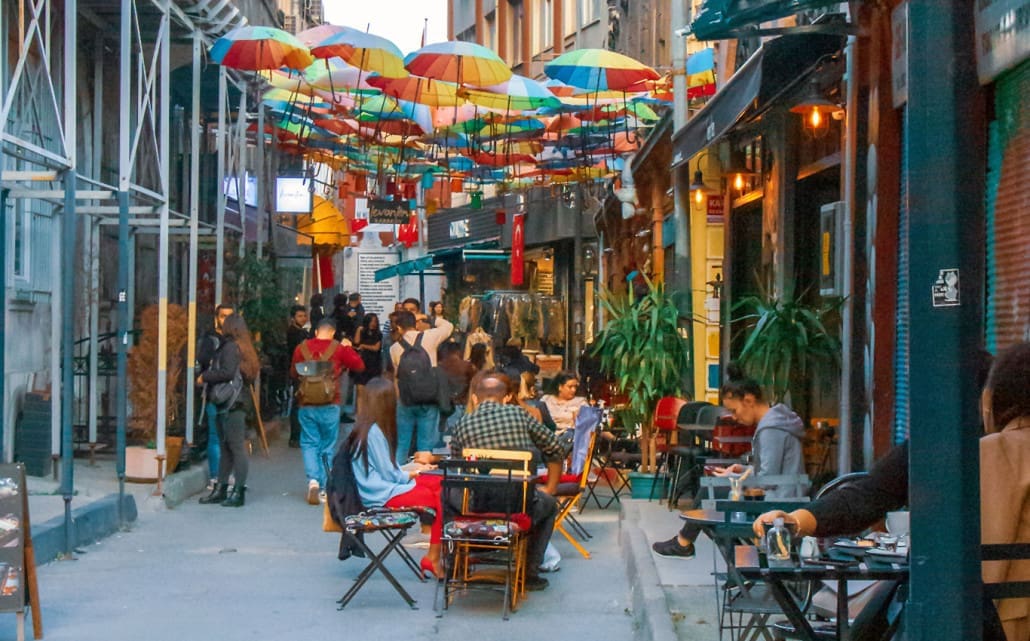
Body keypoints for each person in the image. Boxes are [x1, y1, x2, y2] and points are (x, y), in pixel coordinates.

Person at [652, 365, 806, 559]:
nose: (734, 417)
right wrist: (740, 469)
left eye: (734, 410)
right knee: (710, 499)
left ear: (748, 400)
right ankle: (690, 544)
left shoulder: (770, 430)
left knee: (709, 497)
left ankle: (689, 543)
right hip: (782, 495)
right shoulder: (774, 422)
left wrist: (733, 476)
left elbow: (767, 480)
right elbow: (770, 470)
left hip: (779, 503)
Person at [450, 372, 565, 591]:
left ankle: (454, 565)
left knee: (447, 495)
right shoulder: (520, 415)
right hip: (519, 503)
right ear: (507, 398)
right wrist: (550, 487)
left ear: (474, 398)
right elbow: (555, 447)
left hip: (477, 504)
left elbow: (458, 466)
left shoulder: (462, 423)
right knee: (549, 505)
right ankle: (529, 573)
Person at [346, 377, 444, 579]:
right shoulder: (374, 432)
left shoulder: (368, 428)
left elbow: (388, 470)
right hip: (381, 493)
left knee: (439, 483)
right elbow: (390, 474)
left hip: (380, 488)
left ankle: (434, 553)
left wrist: (415, 472)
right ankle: (433, 556)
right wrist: (414, 473)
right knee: (443, 493)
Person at [291, 318, 365, 505]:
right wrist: (348, 347)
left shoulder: (301, 348)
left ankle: (313, 481)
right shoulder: (338, 348)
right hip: (331, 403)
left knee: (309, 442)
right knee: (328, 445)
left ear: (316, 331)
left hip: (306, 403)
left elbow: (294, 372)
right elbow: (359, 365)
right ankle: (325, 488)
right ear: (333, 332)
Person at [196, 313, 260, 507]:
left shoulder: (231, 347)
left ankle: (235, 491)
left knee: (235, 448)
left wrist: (205, 376)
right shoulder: (244, 347)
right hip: (237, 402)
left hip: (230, 402)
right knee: (228, 447)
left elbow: (227, 372)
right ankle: (223, 488)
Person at [389, 310, 454, 465]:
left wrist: (399, 400)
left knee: (402, 443)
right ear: (416, 324)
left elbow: (396, 377)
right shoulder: (429, 337)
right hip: (428, 398)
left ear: (399, 328)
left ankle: (399, 473)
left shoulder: (394, 348)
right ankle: (421, 474)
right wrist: (427, 317)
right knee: (425, 444)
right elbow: (448, 326)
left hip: (406, 400)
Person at [196, 303, 234, 485]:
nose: (226, 320)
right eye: (223, 316)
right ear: (216, 319)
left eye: (230, 317)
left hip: (233, 395)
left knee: (229, 437)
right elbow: (203, 361)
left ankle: (225, 474)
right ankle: (216, 476)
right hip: (215, 394)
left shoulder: (237, 339)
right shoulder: (211, 340)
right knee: (215, 436)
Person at [285, 305, 309, 448]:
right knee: (298, 404)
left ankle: (297, 435)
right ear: (293, 318)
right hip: (298, 371)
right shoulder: (294, 333)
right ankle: (295, 436)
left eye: (304, 315)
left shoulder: (301, 332)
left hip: (302, 370)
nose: (303, 318)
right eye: (300, 316)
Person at [352, 313, 383, 412]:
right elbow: (356, 343)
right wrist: (358, 330)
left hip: (374, 364)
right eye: (371, 321)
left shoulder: (378, 334)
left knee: (372, 391)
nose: (373, 323)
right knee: (360, 390)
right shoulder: (362, 331)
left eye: (375, 321)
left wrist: (364, 346)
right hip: (362, 363)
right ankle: (360, 413)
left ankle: (371, 412)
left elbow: (376, 348)